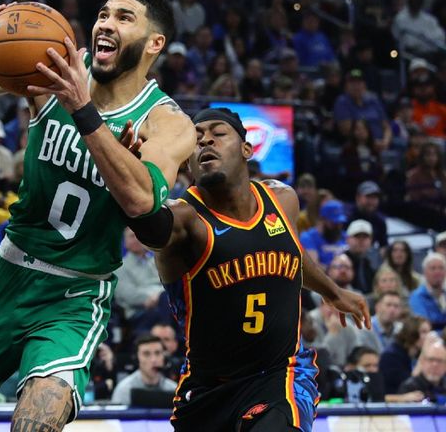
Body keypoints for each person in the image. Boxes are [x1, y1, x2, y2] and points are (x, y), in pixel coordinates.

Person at [0, 0, 195, 430]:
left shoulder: (166, 121)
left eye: (124, 17)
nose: (106, 24)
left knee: (36, 422)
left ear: (155, 44)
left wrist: (83, 109)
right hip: (8, 271)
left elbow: (143, 202)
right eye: (104, 14)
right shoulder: (54, 67)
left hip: (75, 292)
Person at [124, 107, 369, 431]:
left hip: (279, 376)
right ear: (188, 162)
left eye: (218, 133)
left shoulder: (282, 200)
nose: (206, 140)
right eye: (196, 139)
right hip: (209, 387)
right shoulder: (184, 220)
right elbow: (147, 224)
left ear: (246, 149)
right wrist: (130, 175)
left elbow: (289, 253)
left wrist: (333, 292)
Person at [110, 335, 176, 405]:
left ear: (164, 358)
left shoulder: (173, 390)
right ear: (137, 359)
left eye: (157, 353)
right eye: (146, 354)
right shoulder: (124, 390)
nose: (153, 360)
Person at [409, 252, 446, 331]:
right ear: (425, 272)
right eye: (433, 268)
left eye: (441, 268)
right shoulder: (417, 296)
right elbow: (423, 324)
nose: (437, 272)